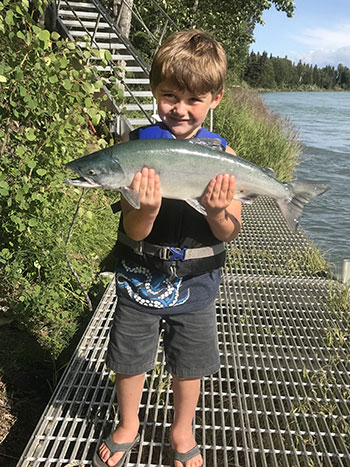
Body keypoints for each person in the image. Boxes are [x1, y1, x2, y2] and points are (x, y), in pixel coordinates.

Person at [93, 29, 242, 467]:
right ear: (155, 91)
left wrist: (216, 213)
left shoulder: (224, 154)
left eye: (194, 99)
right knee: (129, 356)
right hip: (140, 278)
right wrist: (147, 208)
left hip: (197, 282)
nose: (180, 109)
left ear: (215, 99)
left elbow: (230, 229)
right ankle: (128, 423)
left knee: (189, 363)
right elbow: (134, 232)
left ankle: (181, 430)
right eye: (170, 95)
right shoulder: (135, 151)